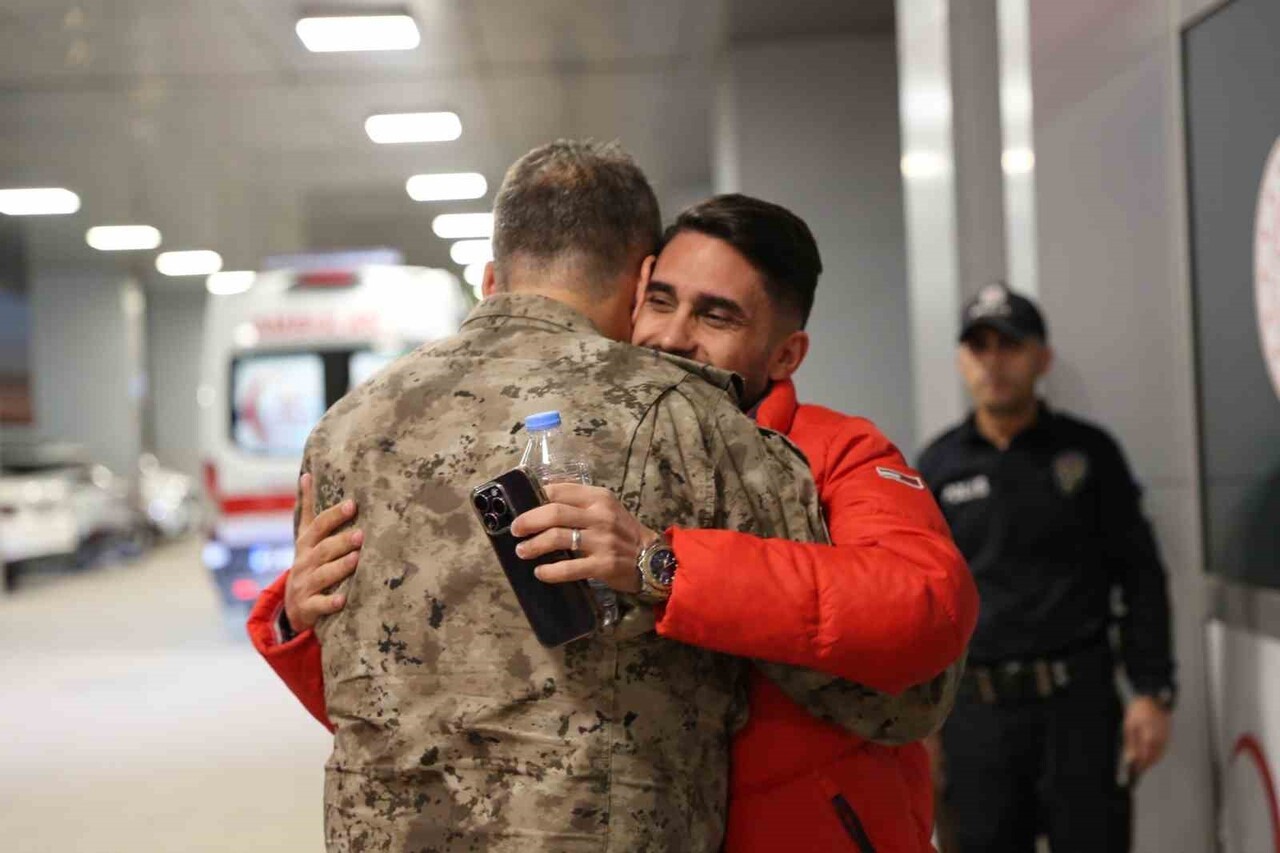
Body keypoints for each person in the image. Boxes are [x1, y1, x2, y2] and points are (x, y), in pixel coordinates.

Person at [250, 193, 977, 851]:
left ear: (785, 353)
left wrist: (667, 566)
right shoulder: (562, 448)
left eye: (716, 315)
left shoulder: (833, 450)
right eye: (659, 300)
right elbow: (464, 696)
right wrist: (304, 621)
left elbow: (920, 608)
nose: (672, 336)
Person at [917, 282, 1176, 853]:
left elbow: (1141, 577)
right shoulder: (938, 465)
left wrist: (1151, 691)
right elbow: (923, 604)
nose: (993, 363)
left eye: (1009, 345)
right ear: (962, 361)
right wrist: (923, 724)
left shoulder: (1089, 455)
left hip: (1078, 708)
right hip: (975, 717)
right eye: (978, 347)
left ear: (1041, 358)